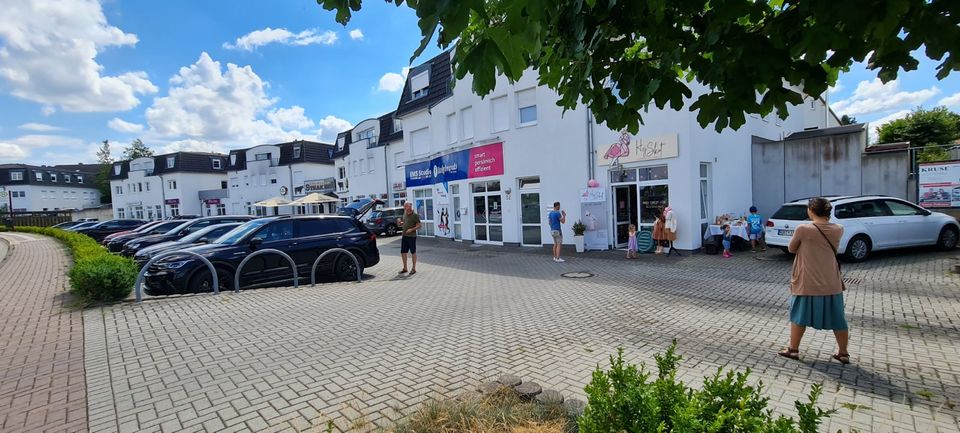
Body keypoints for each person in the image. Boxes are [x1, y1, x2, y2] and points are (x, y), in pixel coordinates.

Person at [778, 197, 849, 364]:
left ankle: (793, 349)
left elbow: (791, 248)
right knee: (838, 318)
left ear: (811, 210)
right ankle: (843, 353)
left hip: (807, 280)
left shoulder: (803, 228)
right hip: (831, 280)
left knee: (799, 316)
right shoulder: (839, 228)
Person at [398, 202, 422, 275]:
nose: (404, 207)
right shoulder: (405, 213)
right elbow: (404, 223)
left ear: (410, 206)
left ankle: (414, 268)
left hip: (411, 237)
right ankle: (405, 268)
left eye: (406, 206)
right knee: (403, 252)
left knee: (413, 252)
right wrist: (400, 223)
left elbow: (419, 225)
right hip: (404, 236)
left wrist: (411, 229)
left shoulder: (415, 215)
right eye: (404, 206)